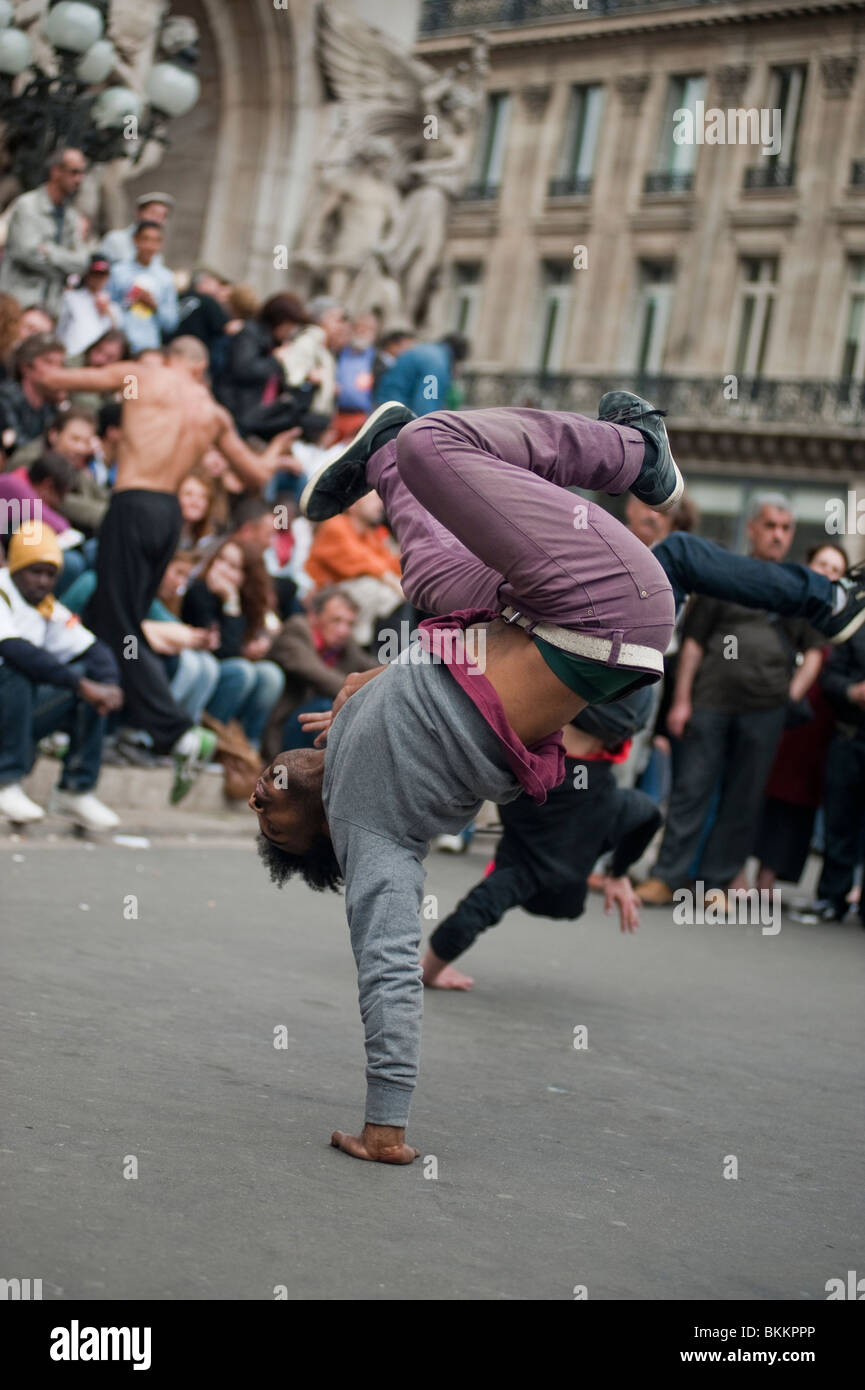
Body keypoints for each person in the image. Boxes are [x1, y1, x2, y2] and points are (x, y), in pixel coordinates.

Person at [250, 398, 865, 1165]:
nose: (259, 797)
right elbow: (385, 968)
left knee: (433, 569)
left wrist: (371, 684)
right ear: (323, 840)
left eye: (257, 805)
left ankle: (380, 457)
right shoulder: (374, 834)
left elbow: (444, 675)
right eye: (272, 826)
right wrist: (385, 1121)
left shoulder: (357, 747)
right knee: (434, 445)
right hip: (599, 619)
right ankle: (634, 451)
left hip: (540, 621)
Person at [30, 336, 302, 801]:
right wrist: (275, 449)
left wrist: (39, 367)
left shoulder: (144, 376)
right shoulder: (212, 412)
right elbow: (256, 476)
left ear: (173, 360)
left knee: (118, 626)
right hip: (169, 518)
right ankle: (69, 756)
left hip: (133, 504)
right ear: (200, 368)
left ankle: (174, 729)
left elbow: (61, 379)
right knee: (102, 623)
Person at [638, 495, 824, 906]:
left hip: (766, 709)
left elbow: (812, 652)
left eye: (786, 528)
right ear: (753, 528)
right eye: (771, 525)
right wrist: (682, 701)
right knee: (691, 790)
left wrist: (787, 697)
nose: (778, 535)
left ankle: (715, 885)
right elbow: (693, 645)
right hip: (711, 702)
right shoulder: (722, 576)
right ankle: (667, 877)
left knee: (743, 798)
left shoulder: (797, 587)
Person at [423, 689, 662, 991]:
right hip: (547, 726)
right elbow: (470, 916)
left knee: (632, 672)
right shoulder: (519, 875)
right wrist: (431, 971)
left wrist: (618, 872)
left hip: (611, 722)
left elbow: (649, 816)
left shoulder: (611, 816)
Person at [0, 522, 122, 830]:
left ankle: (74, 790)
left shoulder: (49, 608)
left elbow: (95, 650)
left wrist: (108, 685)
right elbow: (15, 650)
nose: (42, 581)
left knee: (92, 683)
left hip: (19, 712)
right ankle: (4, 783)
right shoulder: (2, 591)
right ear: (16, 567)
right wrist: (81, 685)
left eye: (50, 574)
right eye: (34, 571)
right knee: (18, 669)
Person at [754, 543, 849, 895]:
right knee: (759, 791)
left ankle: (770, 878)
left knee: (797, 802)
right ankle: (740, 875)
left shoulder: (844, 620)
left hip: (817, 724)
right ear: (808, 565)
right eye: (822, 564)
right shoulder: (786, 604)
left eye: (835, 570)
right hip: (775, 711)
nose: (827, 572)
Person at [181, 538, 284, 750]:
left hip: (226, 671)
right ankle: (209, 743)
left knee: (271, 674)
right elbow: (225, 653)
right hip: (204, 670)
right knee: (242, 671)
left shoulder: (247, 601)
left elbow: (255, 637)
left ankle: (246, 747)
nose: (222, 569)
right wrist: (230, 603)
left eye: (233, 567)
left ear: (246, 577)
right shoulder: (200, 592)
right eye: (220, 560)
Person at [263, 587, 375, 761]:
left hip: (309, 725)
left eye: (349, 624)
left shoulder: (343, 643)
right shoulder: (296, 630)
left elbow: (372, 668)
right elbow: (320, 676)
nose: (343, 630)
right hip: (281, 728)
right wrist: (367, 693)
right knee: (327, 708)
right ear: (314, 616)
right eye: (336, 621)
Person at [305, 492, 403, 645]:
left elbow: (391, 565)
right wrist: (392, 582)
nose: (380, 505)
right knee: (373, 587)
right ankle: (358, 644)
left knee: (400, 593)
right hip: (322, 595)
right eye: (372, 500)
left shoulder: (371, 533)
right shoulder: (335, 525)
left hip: (348, 593)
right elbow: (364, 563)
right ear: (352, 505)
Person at [0, 149, 89, 315]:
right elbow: (27, 253)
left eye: (82, 173)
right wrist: (66, 263)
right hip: (18, 306)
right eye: (74, 172)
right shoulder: (28, 205)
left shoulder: (71, 216)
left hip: (51, 309)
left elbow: (82, 262)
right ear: (56, 171)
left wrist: (48, 251)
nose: (79, 180)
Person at [275, 295, 351, 418]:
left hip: (316, 420)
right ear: (323, 319)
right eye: (338, 320)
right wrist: (311, 377)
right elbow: (293, 377)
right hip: (303, 419)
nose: (341, 326)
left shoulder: (323, 346)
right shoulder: (308, 341)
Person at [108, 222, 178, 354]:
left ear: (161, 244)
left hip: (148, 347)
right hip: (119, 345)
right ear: (135, 240)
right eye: (145, 239)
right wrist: (128, 300)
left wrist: (154, 305)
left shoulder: (166, 278)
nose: (149, 246)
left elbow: (171, 324)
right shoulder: (118, 271)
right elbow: (108, 307)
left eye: (155, 241)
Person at [0, 333, 67, 457]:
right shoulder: (6, 397)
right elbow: (15, 445)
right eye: (49, 362)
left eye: (60, 364)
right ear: (26, 367)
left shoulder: (52, 405)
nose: (57, 371)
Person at [372, 333, 468, 417]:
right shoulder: (437, 363)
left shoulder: (428, 350)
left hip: (386, 405)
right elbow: (427, 403)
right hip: (395, 412)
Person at [57, 253, 121, 358]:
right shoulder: (70, 298)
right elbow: (60, 328)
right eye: (95, 274)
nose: (98, 279)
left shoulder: (113, 307)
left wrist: (107, 312)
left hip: (98, 360)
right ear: (88, 274)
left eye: (103, 275)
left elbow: (116, 337)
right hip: (72, 354)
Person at [100, 192, 175, 267]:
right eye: (153, 213)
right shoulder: (115, 239)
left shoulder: (158, 255)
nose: (157, 219)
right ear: (139, 213)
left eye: (162, 216)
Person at [333, 313, 378, 437]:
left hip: (362, 418)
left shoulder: (378, 360)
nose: (362, 331)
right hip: (335, 415)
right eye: (359, 327)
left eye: (368, 329)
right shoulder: (338, 353)